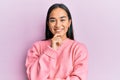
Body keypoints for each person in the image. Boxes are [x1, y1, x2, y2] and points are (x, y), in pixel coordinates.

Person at [25, 3, 88, 80]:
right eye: (52, 20)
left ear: (69, 22)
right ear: (48, 24)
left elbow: (79, 77)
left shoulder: (79, 48)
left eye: (62, 20)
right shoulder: (37, 47)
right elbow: (34, 77)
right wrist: (51, 49)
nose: (58, 25)